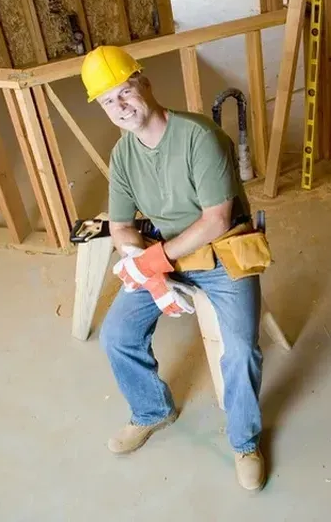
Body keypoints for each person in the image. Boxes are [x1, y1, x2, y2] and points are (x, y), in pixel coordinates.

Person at [80, 45, 266, 491]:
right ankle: (152, 411)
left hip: (223, 252)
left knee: (239, 350)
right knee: (117, 336)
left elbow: (216, 219)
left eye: (124, 92)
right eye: (108, 101)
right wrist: (139, 256)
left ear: (144, 82)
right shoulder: (123, 156)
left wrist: (158, 259)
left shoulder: (198, 138)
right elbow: (122, 226)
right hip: (165, 253)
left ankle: (245, 442)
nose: (120, 106)